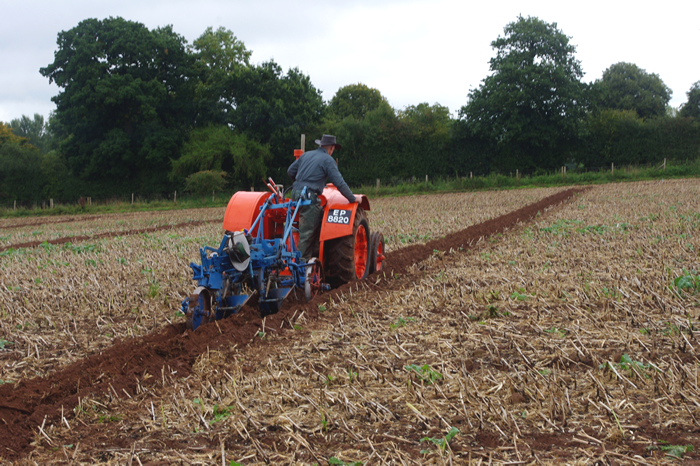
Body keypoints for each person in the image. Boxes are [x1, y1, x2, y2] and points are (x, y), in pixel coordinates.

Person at [287, 134, 356, 260]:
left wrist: (299, 184)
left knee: (312, 221)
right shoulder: (328, 160)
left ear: (320, 145)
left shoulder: (306, 155)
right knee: (307, 233)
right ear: (332, 148)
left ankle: (310, 257)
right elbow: (339, 182)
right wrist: (352, 198)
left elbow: (290, 171)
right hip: (309, 196)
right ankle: (299, 264)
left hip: (296, 194)